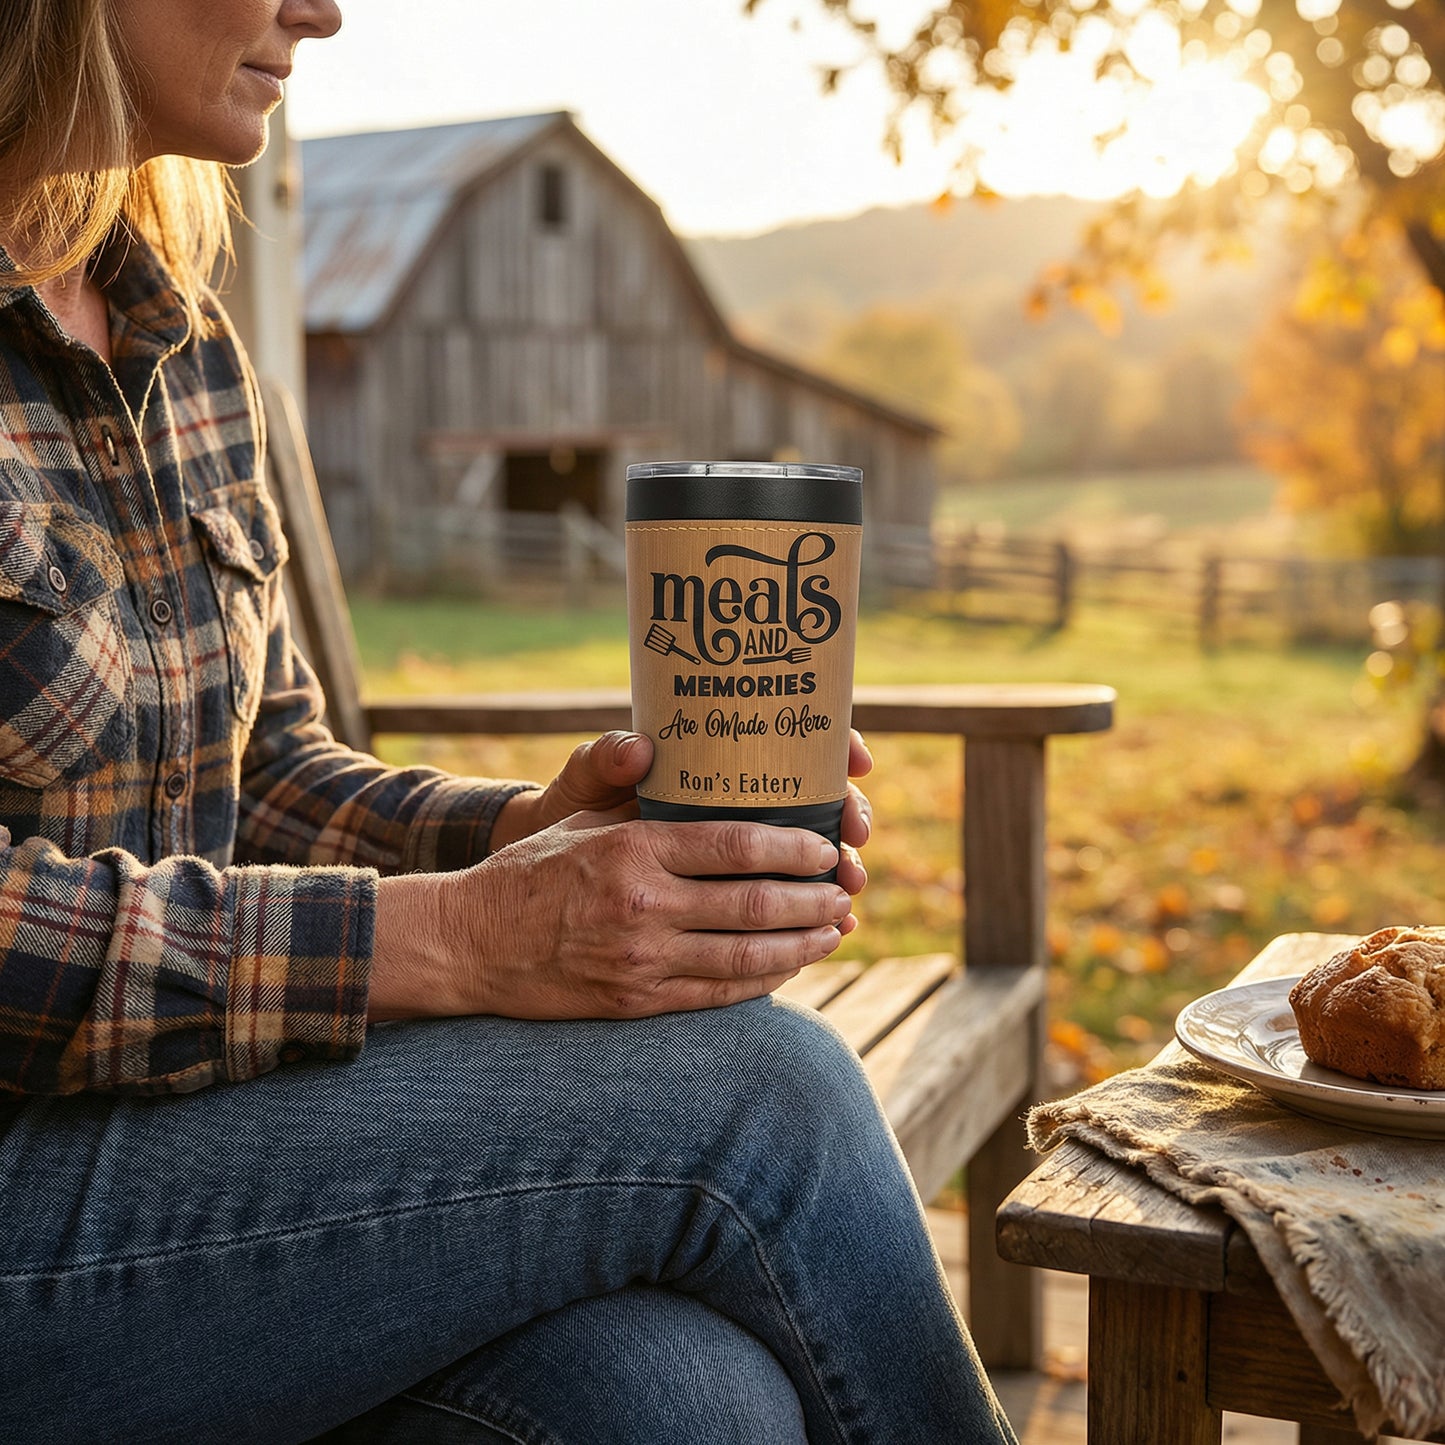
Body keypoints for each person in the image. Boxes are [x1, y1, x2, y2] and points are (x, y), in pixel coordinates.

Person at [0, 2, 1019, 1441]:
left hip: (179, 1129)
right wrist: (469, 934)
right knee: (757, 1093)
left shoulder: (173, 329)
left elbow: (267, 770)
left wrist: (527, 834)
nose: (324, 9)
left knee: (680, 1400)